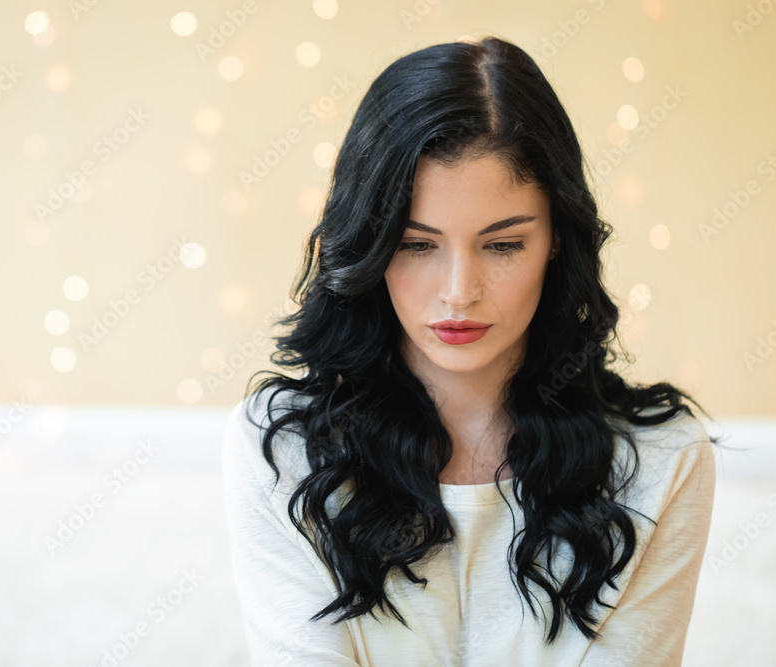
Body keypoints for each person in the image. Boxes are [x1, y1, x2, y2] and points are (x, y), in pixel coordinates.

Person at [221, 35, 726, 666]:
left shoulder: (660, 460)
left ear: (557, 241)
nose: (459, 293)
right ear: (371, 250)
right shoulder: (282, 454)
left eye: (503, 244)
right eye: (417, 244)